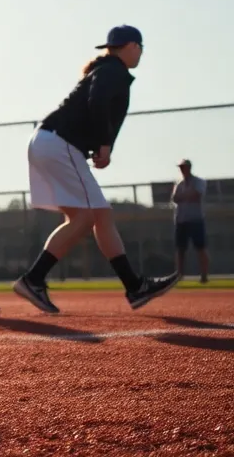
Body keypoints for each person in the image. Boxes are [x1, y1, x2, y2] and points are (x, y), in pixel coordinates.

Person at [14, 26, 179, 313]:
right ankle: (33, 279)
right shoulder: (113, 70)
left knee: (97, 214)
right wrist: (104, 143)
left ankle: (134, 286)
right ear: (130, 46)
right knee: (88, 215)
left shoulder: (106, 68)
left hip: (51, 142)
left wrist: (102, 143)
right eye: (140, 46)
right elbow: (98, 101)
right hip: (58, 144)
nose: (141, 52)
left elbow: (95, 103)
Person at [173, 159, 209, 284]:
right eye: (181, 167)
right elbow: (175, 198)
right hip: (181, 220)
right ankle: (179, 275)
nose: (182, 170)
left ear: (189, 167)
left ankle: (204, 275)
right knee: (180, 249)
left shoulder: (198, 181)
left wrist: (184, 196)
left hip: (196, 219)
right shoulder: (179, 184)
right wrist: (187, 195)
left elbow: (196, 195)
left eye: (184, 167)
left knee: (200, 247)